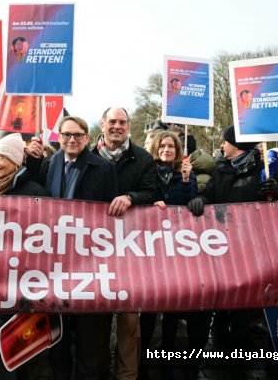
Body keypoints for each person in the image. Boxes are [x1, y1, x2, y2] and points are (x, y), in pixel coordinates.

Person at [26, 116, 119, 380]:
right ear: (59, 137)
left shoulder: (103, 167)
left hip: (88, 259)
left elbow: (111, 212)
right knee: (58, 329)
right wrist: (33, 161)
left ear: (87, 138)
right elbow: (37, 197)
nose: (72, 140)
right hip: (54, 258)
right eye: (66, 135)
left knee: (87, 330)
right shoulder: (50, 163)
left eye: (78, 135)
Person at [187, 125, 277, 380]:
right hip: (219, 250)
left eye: (224, 142)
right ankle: (195, 364)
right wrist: (200, 201)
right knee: (208, 309)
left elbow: (277, 209)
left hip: (248, 252)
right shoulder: (222, 170)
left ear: (236, 144)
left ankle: (239, 366)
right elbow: (211, 195)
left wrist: (275, 193)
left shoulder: (263, 171)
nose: (221, 146)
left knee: (240, 314)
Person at [90, 107, 156, 380]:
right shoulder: (89, 157)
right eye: (112, 122)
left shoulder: (142, 158)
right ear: (103, 125)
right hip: (94, 249)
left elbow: (153, 191)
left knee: (130, 321)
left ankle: (128, 374)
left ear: (129, 127)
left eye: (123, 122)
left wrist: (130, 196)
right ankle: (101, 369)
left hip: (130, 249)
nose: (117, 126)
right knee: (97, 318)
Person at [0, 134, 50, 380]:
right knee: (9, 345)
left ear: (16, 161)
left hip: (25, 280)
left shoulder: (37, 192)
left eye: (2, 157)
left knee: (1, 342)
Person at [145, 131, 206, 380]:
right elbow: (146, 195)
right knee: (149, 307)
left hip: (177, 247)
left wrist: (185, 183)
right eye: (163, 145)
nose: (166, 149)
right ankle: (144, 358)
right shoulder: (148, 171)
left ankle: (168, 357)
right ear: (156, 148)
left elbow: (188, 203)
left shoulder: (187, 174)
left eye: (171, 146)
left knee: (173, 306)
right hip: (151, 246)